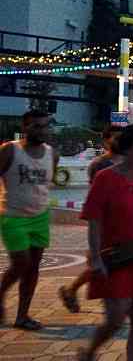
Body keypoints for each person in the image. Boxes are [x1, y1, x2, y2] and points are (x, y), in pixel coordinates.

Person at [79, 122, 133, 361]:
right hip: (116, 255)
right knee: (116, 317)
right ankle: (90, 351)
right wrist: (95, 257)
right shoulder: (105, 178)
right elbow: (93, 219)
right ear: (127, 148)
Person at [0, 110, 57, 331]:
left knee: (33, 268)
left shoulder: (52, 153)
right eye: (36, 126)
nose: (41, 130)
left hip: (40, 216)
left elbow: (46, 184)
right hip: (13, 216)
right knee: (20, 263)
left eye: (44, 126)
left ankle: (22, 316)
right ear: (25, 127)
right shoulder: (9, 150)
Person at [59, 126, 123, 314]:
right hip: (104, 221)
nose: (120, 141)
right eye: (116, 138)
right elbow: (97, 195)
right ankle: (75, 291)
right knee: (102, 261)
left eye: (122, 137)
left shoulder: (131, 161)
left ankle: (73, 290)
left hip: (123, 220)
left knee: (116, 260)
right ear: (106, 141)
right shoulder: (99, 164)